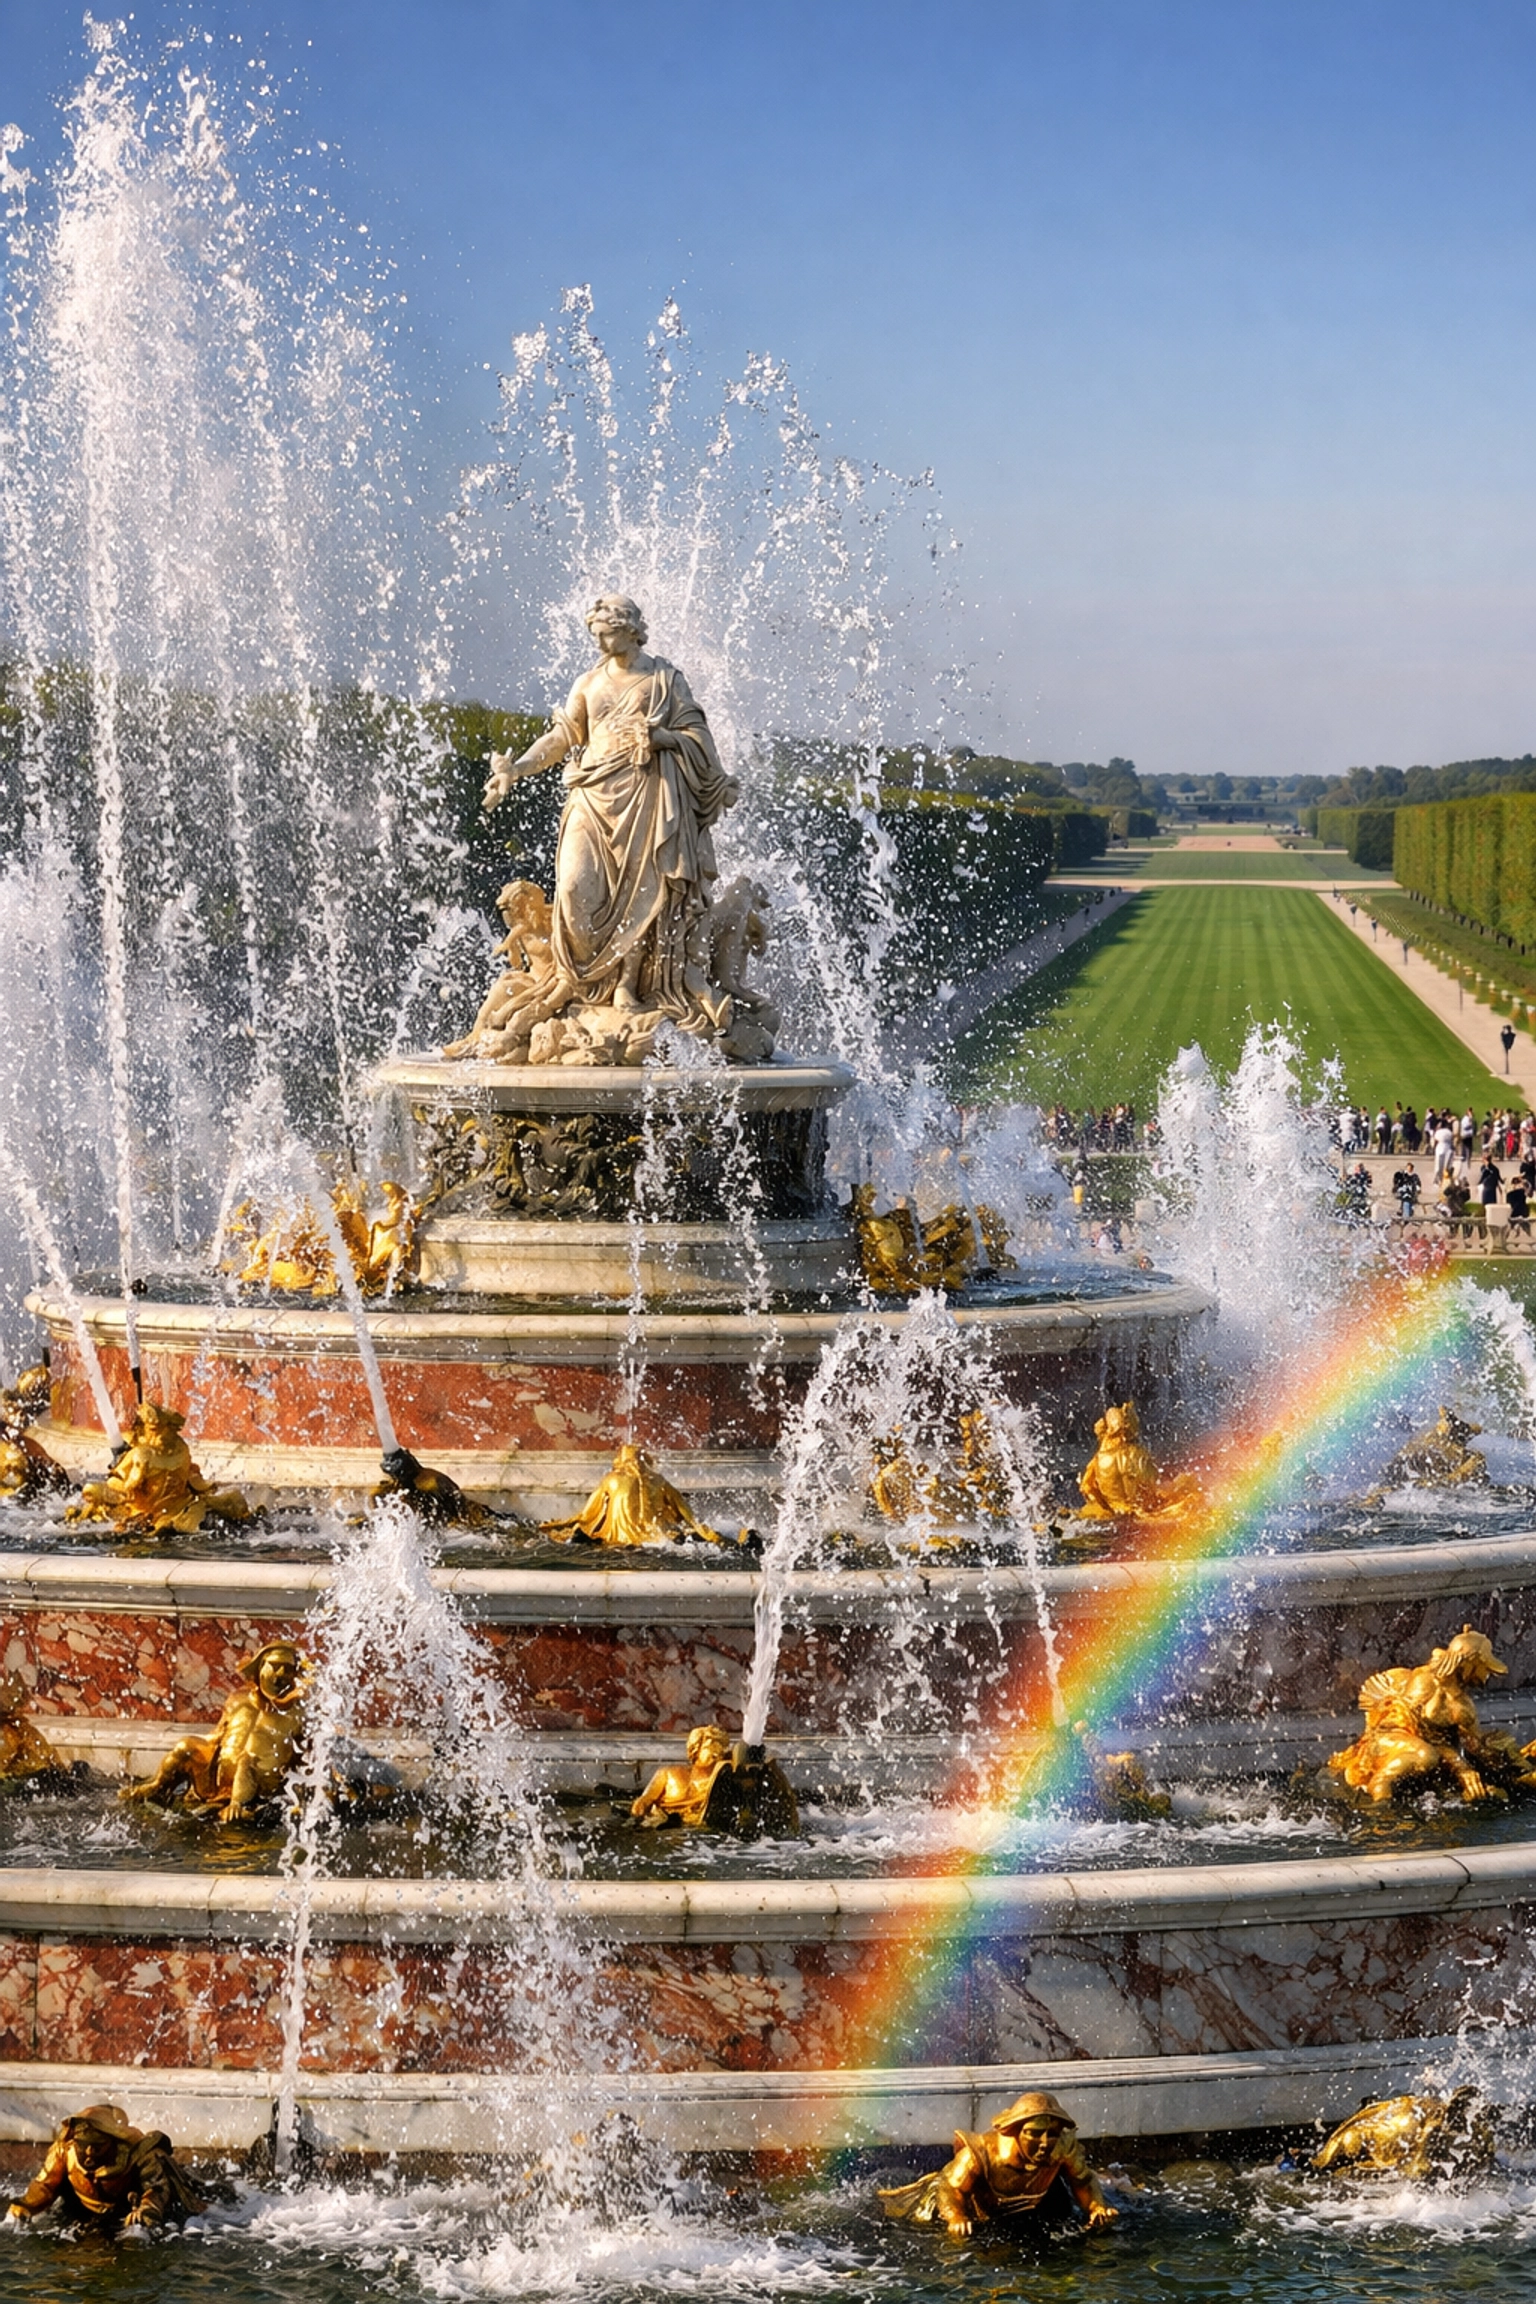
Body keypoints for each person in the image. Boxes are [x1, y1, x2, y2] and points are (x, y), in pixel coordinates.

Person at [878, 2090, 1118, 2237]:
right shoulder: (981, 2153)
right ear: (1016, 2131)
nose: (1045, 2142)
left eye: (1052, 2133)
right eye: (1034, 2133)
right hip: (968, 2210)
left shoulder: (1063, 2146)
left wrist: (1096, 2207)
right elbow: (949, 2186)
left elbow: (1083, 2179)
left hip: (1025, 2211)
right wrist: (955, 2217)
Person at [6, 2105, 205, 2230]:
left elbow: (156, 2189)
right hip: (80, 2214)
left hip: (126, 2214)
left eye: (98, 2146)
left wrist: (147, 2211)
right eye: (83, 2145)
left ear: (112, 2142)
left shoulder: (139, 2154)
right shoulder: (64, 2151)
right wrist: (27, 2206)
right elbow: (45, 2185)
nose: (90, 2152)